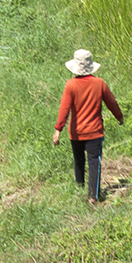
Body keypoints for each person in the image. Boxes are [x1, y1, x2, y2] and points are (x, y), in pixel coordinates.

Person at [52, 49, 124, 206]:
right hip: (94, 132)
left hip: (76, 132)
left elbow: (64, 109)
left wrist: (58, 129)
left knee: (79, 160)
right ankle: (93, 196)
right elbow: (112, 102)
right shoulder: (99, 83)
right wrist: (119, 117)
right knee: (94, 162)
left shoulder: (70, 85)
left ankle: (79, 187)